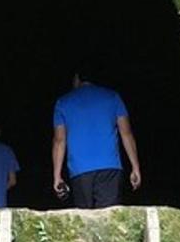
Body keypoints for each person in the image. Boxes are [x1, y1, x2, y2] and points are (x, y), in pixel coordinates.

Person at [51, 64, 142, 209]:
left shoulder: (63, 103)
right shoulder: (112, 97)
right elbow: (126, 133)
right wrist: (135, 167)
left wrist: (57, 176)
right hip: (110, 167)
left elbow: (59, 141)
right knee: (109, 218)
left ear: (77, 79)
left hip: (79, 170)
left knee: (85, 219)